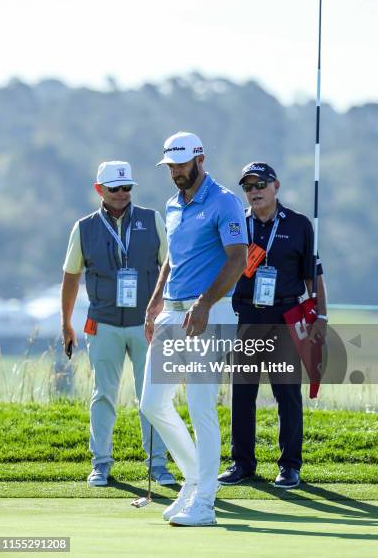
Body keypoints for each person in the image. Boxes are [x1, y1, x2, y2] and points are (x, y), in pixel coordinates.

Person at [140, 132, 247, 526]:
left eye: (181, 165)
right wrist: (154, 302)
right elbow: (172, 259)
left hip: (210, 315)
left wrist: (205, 303)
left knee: (202, 408)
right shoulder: (172, 204)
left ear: (200, 159)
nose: (175, 172)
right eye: (170, 166)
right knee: (152, 403)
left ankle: (205, 502)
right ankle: (194, 482)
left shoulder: (224, 202)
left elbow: (237, 259)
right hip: (172, 312)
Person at [61, 160, 175, 487]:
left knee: (151, 396)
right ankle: (100, 464)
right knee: (103, 395)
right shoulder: (83, 227)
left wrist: (164, 314)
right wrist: (66, 323)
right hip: (104, 324)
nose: (123, 194)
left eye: (127, 187)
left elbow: (170, 268)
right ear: (100, 190)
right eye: (115, 188)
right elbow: (71, 277)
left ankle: (157, 466)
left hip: (146, 325)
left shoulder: (151, 219)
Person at [218, 162, 328, 489]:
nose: (254, 192)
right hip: (249, 318)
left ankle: (290, 465)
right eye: (248, 187)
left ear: (275, 186)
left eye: (260, 185)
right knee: (242, 393)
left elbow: (313, 275)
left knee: (287, 393)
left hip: (285, 317)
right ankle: (242, 463)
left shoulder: (298, 225)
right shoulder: (237, 223)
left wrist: (321, 316)